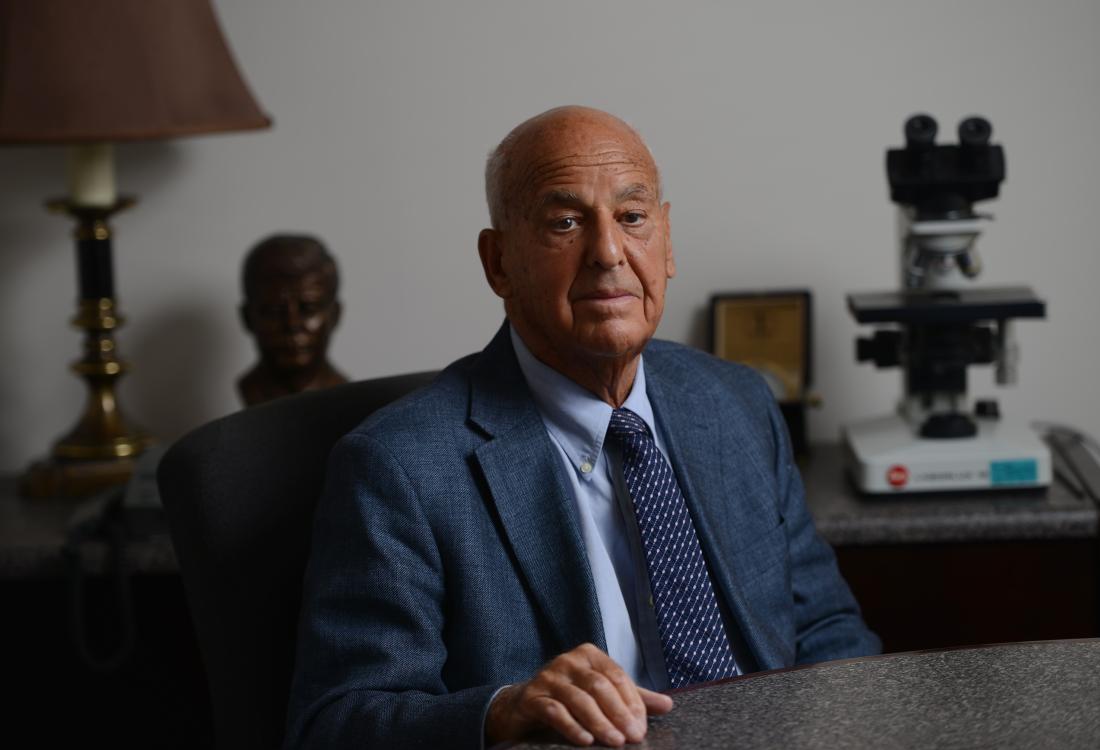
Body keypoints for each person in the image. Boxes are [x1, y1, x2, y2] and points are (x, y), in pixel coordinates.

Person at [285, 106, 879, 749]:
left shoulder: (735, 403)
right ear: (499, 263)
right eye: (565, 223)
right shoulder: (398, 468)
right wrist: (501, 712)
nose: (607, 253)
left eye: (632, 217)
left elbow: (828, 631)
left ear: (667, 241)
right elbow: (335, 724)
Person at [237, 234, 348, 406]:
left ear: (335, 315)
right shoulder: (250, 390)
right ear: (247, 318)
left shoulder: (349, 397)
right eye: (274, 311)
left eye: (308, 309)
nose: (292, 325)